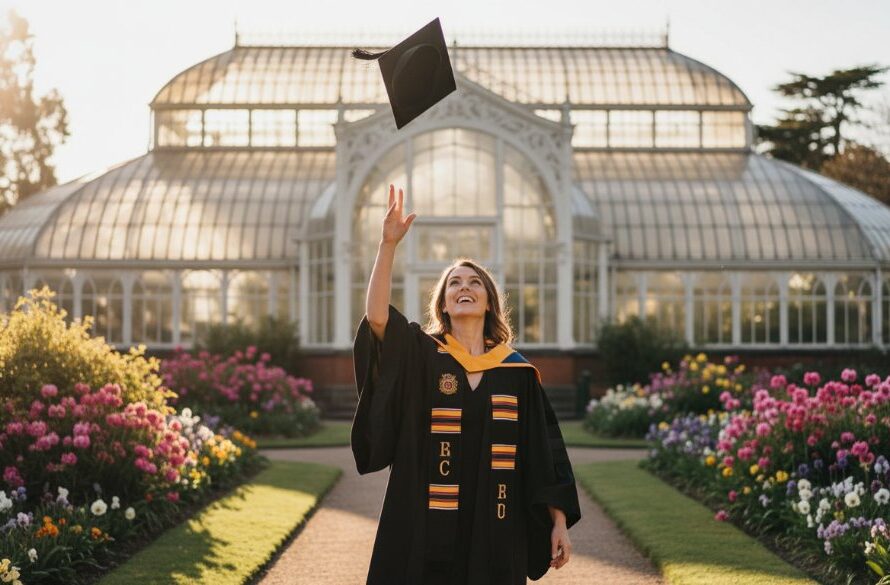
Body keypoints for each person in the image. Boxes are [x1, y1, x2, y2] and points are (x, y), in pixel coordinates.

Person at [352, 184, 581, 585]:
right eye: (454, 284)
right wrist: (387, 245)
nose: (464, 288)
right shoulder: (423, 355)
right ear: (442, 303)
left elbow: (544, 454)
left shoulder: (516, 372)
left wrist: (558, 522)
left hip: (496, 525)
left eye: (474, 283)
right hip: (426, 520)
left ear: (489, 301)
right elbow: (376, 319)